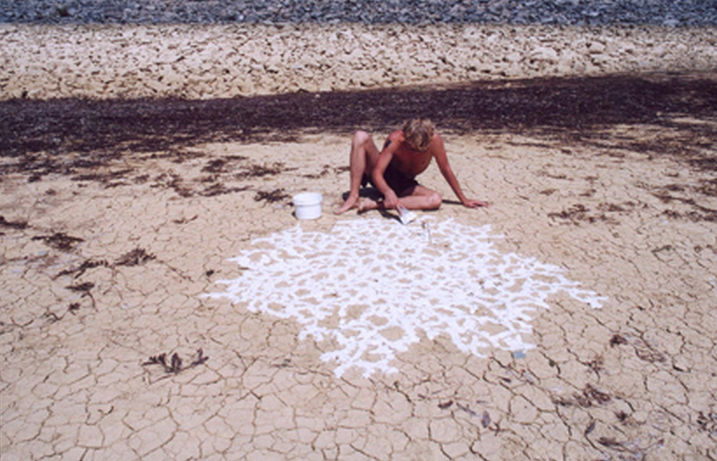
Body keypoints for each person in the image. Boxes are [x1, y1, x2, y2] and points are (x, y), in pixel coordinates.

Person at [335, 118, 488, 214]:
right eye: (410, 148)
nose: (414, 153)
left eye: (419, 150)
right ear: (405, 137)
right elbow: (377, 173)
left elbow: (445, 169)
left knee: (435, 199)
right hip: (385, 174)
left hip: (405, 184)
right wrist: (387, 191)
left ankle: (377, 205)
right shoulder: (395, 139)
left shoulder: (435, 141)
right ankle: (354, 196)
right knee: (360, 136)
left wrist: (464, 199)